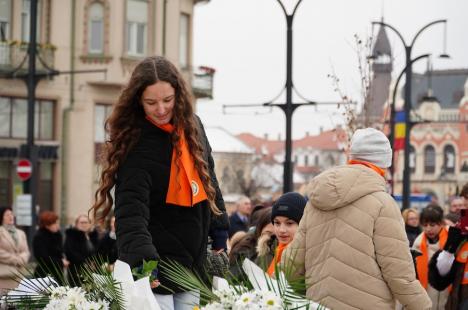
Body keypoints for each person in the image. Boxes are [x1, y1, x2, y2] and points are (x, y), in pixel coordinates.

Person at [90, 56, 229, 310]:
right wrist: (144, 264)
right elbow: (131, 211)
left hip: (192, 263)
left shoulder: (193, 127)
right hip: (155, 265)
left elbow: (210, 179)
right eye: (151, 102)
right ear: (138, 101)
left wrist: (219, 228)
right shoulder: (135, 142)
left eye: (167, 100)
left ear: (178, 95)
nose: (161, 109)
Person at [282, 128, 431, 309]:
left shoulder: (315, 202)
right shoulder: (383, 204)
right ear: (384, 161)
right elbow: (399, 274)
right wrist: (422, 305)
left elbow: (291, 267)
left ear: (351, 156)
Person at [429, 183, 468, 309]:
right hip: (461, 295)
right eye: (465, 198)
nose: (465, 203)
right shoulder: (461, 224)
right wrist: (449, 248)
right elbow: (441, 278)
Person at [412, 205, 449, 309]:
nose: (428, 229)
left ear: (440, 223)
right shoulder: (418, 243)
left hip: (448, 296)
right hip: (426, 295)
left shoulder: (451, 240)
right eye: (425, 225)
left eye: (432, 225)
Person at [263, 192, 306, 277]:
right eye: (277, 223)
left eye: (289, 223)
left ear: (302, 224)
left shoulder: (309, 254)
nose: (281, 230)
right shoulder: (271, 249)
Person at [228, 207, 273, 277]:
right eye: (268, 233)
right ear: (260, 229)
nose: (272, 239)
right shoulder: (245, 248)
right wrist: (264, 249)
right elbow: (233, 278)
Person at [33, 211, 69, 284]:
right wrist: (61, 262)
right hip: (44, 273)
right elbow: (42, 257)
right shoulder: (39, 237)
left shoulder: (57, 234)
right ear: (47, 225)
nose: (57, 226)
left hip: (58, 272)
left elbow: (60, 251)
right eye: (55, 223)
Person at [0, 207, 30, 295]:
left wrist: (22, 259)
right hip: (4, 276)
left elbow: (26, 251)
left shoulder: (21, 233)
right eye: (7, 215)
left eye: (12, 214)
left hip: (19, 274)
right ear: (2, 217)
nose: (11, 216)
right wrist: (15, 259)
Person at [64, 214, 96, 286]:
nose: (84, 224)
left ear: (90, 224)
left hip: (92, 270)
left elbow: (96, 251)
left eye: (86, 222)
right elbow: (70, 252)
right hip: (76, 270)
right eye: (81, 222)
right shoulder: (71, 235)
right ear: (76, 224)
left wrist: (94, 261)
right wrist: (86, 262)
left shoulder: (93, 235)